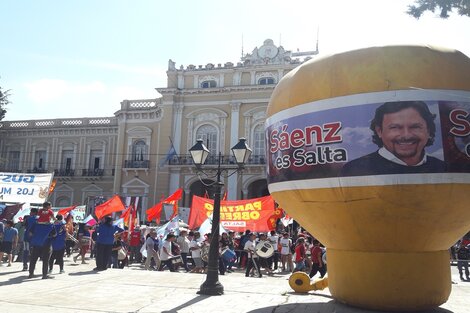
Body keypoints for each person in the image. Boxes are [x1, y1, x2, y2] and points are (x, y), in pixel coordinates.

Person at [341, 101, 446, 176]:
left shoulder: (445, 168)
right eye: (395, 127)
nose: (406, 135)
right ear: (379, 131)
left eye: (415, 127)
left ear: (428, 130)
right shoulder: (354, 170)